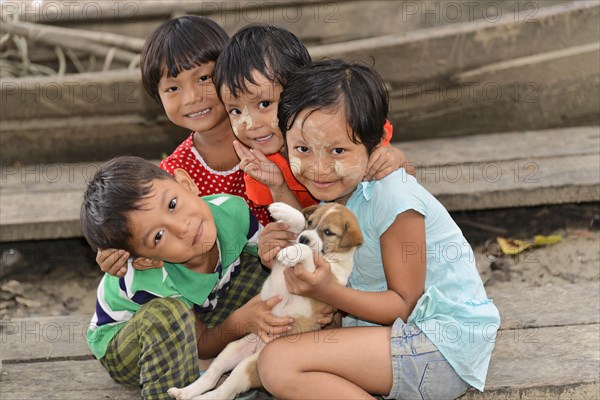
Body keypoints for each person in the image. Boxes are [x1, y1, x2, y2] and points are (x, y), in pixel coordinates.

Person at [256, 60, 501, 399]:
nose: (319, 167)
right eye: (303, 149)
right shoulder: (338, 202)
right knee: (274, 354)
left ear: (376, 144)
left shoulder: (391, 195)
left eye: (338, 150)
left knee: (277, 363)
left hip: (440, 345)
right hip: (391, 338)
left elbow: (404, 305)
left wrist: (327, 291)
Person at [80, 156, 298, 399]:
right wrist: (241, 321)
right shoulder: (153, 279)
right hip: (130, 343)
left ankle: (235, 367)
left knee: (263, 272)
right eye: (159, 236)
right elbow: (201, 343)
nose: (182, 227)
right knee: (167, 315)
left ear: (186, 183)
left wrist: (272, 251)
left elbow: (272, 260)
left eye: (172, 204)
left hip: (201, 308)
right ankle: (178, 389)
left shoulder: (232, 210)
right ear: (148, 260)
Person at [97, 16, 271, 278]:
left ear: (229, 73)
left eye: (203, 78)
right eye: (173, 88)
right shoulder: (172, 175)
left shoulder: (269, 137)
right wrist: (124, 253)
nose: (191, 98)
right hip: (225, 290)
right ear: (158, 98)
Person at [213, 24, 410, 211]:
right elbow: (304, 228)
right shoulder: (261, 168)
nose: (252, 125)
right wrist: (279, 188)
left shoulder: (343, 124)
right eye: (235, 111)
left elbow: (404, 176)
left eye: (264, 104)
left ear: (298, 91)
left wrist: (395, 159)